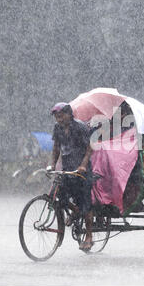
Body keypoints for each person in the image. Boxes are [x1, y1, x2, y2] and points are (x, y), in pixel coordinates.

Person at [49, 102, 94, 251]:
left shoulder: (80, 127)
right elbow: (56, 149)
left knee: (85, 203)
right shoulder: (57, 129)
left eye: (61, 116)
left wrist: (83, 166)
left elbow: (89, 149)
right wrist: (52, 165)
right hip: (67, 169)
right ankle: (76, 211)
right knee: (60, 196)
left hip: (82, 170)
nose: (59, 120)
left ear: (69, 114)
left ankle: (89, 236)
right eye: (56, 117)